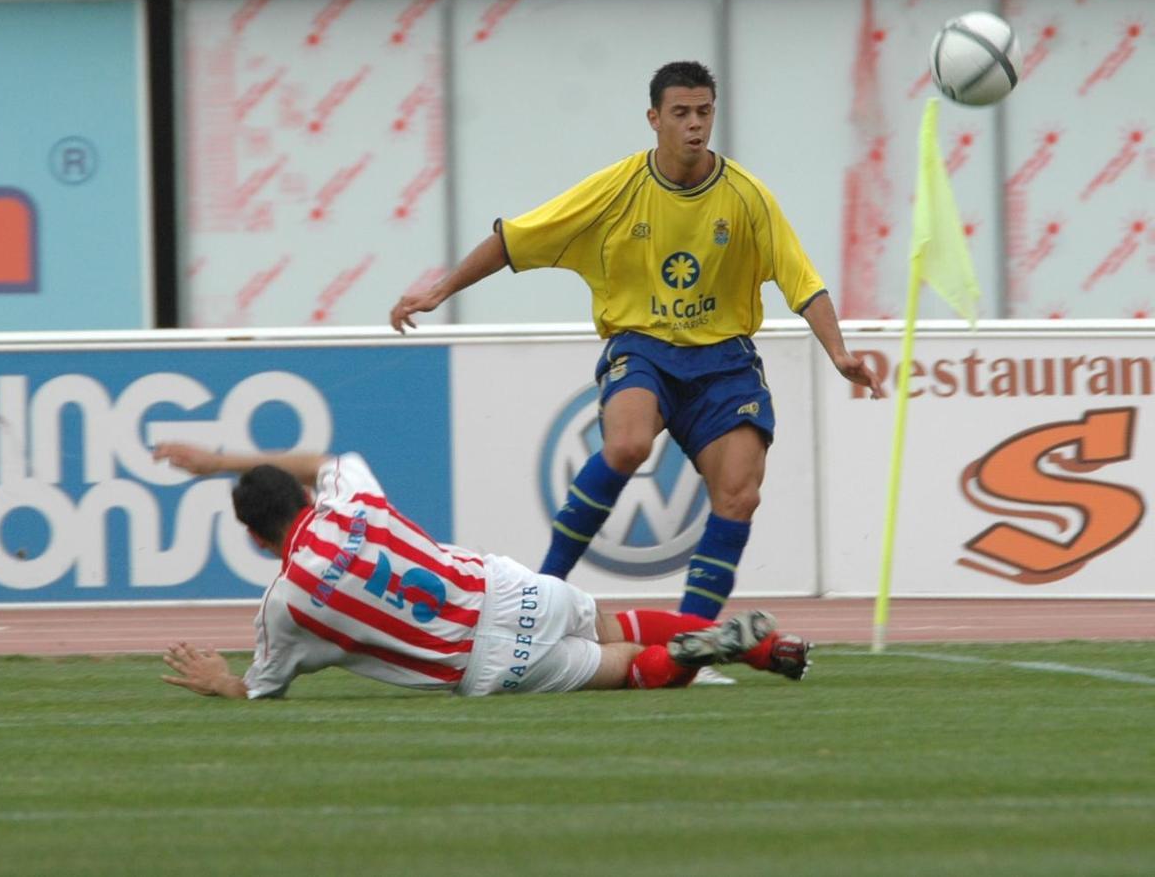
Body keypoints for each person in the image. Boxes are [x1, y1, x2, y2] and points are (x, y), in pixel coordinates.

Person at [390, 60, 885, 622]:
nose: (694, 124)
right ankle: (540, 598)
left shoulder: (748, 198)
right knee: (627, 445)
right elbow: (514, 240)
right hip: (643, 347)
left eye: (704, 112)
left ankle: (689, 642)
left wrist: (839, 352)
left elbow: (804, 282)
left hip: (725, 362)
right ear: (654, 119)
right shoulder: (617, 189)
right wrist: (438, 291)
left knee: (739, 495)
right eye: (681, 113)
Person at [153, 442, 812, 701]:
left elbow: (261, 689)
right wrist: (218, 461)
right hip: (503, 587)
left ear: (253, 537)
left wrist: (219, 682)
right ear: (303, 499)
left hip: (487, 659)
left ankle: (695, 653)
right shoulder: (347, 497)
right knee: (620, 621)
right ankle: (758, 648)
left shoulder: (286, 603)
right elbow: (327, 456)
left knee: (629, 670)